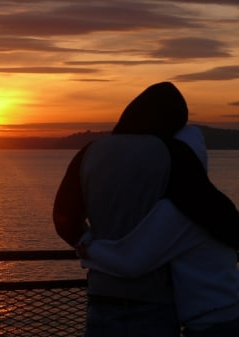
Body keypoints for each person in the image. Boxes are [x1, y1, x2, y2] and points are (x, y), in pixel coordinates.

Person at [53, 81, 239, 337]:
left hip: (101, 298)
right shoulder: (172, 152)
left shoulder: (89, 152)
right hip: (153, 303)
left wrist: (86, 241)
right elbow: (212, 212)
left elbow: (63, 218)